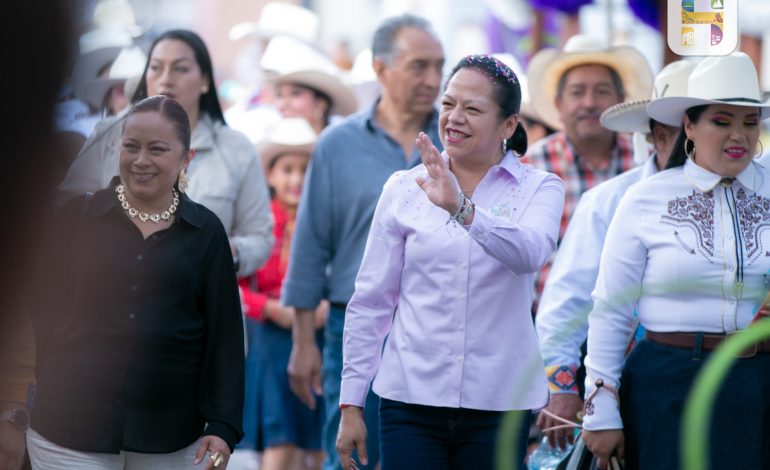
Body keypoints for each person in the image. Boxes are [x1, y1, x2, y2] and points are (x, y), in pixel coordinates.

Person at [335, 55, 564, 470]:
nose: (454, 118)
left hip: (499, 404)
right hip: (409, 400)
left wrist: (461, 208)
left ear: (509, 125)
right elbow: (371, 301)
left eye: (473, 109)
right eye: (448, 104)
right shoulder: (404, 188)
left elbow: (530, 253)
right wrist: (351, 403)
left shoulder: (541, 187)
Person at [25, 95, 244, 469]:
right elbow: (34, 319)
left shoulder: (206, 233)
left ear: (186, 158)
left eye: (157, 149)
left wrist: (224, 426)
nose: (141, 160)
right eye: (131, 147)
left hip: (171, 441)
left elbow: (224, 337)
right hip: (67, 433)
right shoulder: (75, 220)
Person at [581, 52, 770, 469]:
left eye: (749, 121)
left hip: (761, 382)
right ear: (689, 125)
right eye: (722, 121)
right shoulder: (646, 198)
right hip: (667, 384)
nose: (738, 134)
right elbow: (611, 307)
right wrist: (601, 405)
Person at [282, 14, 445, 470]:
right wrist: (302, 341)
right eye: (418, 66)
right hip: (352, 326)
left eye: (439, 66)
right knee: (353, 454)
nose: (432, 79)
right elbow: (312, 244)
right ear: (380, 68)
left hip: (437, 323)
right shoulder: (338, 144)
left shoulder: (457, 141)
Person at [534, 60, 696, 450]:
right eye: (687, 130)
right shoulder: (608, 201)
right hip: (629, 382)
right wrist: (563, 385)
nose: (699, 144)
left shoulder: (749, 193)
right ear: (658, 136)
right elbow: (567, 303)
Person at [59, 29, 273, 276]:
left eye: (180, 68)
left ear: (205, 81)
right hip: (112, 294)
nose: (166, 79)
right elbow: (66, 205)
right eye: (156, 67)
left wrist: (224, 252)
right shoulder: (110, 134)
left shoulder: (236, 148)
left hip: (198, 301)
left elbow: (259, 236)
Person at [523, 34, 653, 302]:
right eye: (577, 92)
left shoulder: (647, 163)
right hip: (547, 321)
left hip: (631, 323)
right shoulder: (531, 166)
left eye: (602, 91)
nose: (590, 103)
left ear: (621, 99)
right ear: (559, 104)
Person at [237, 118, 325, 470]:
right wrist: (271, 309)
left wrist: (320, 308)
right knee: (279, 440)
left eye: (305, 170)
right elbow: (236, 286)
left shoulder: (323, 223)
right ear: (271, 175)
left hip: (320, 338)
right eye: (287, 169)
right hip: (272, 342)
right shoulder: (259, 224)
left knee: (320, 440)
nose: (296, 179)